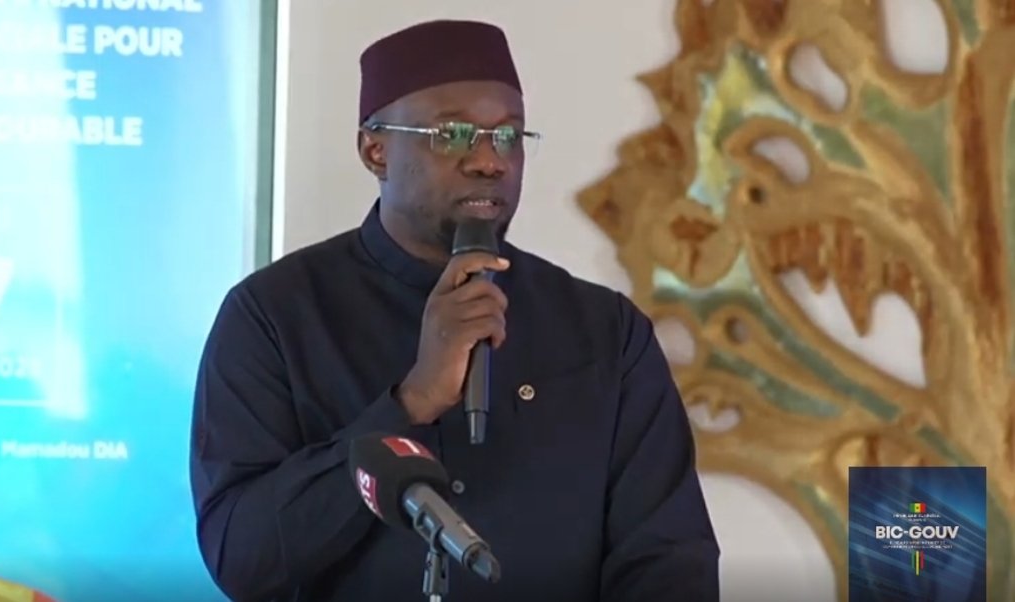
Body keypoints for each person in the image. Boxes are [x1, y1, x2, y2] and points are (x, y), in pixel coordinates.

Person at [190, 18, 719, 602]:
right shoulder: (273, 316)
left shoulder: (605, 332)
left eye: (508, 136)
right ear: (375, 150)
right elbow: (242, 557)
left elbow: (669, 559)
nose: (490, 160)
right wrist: (411, 402)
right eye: (452, 134)